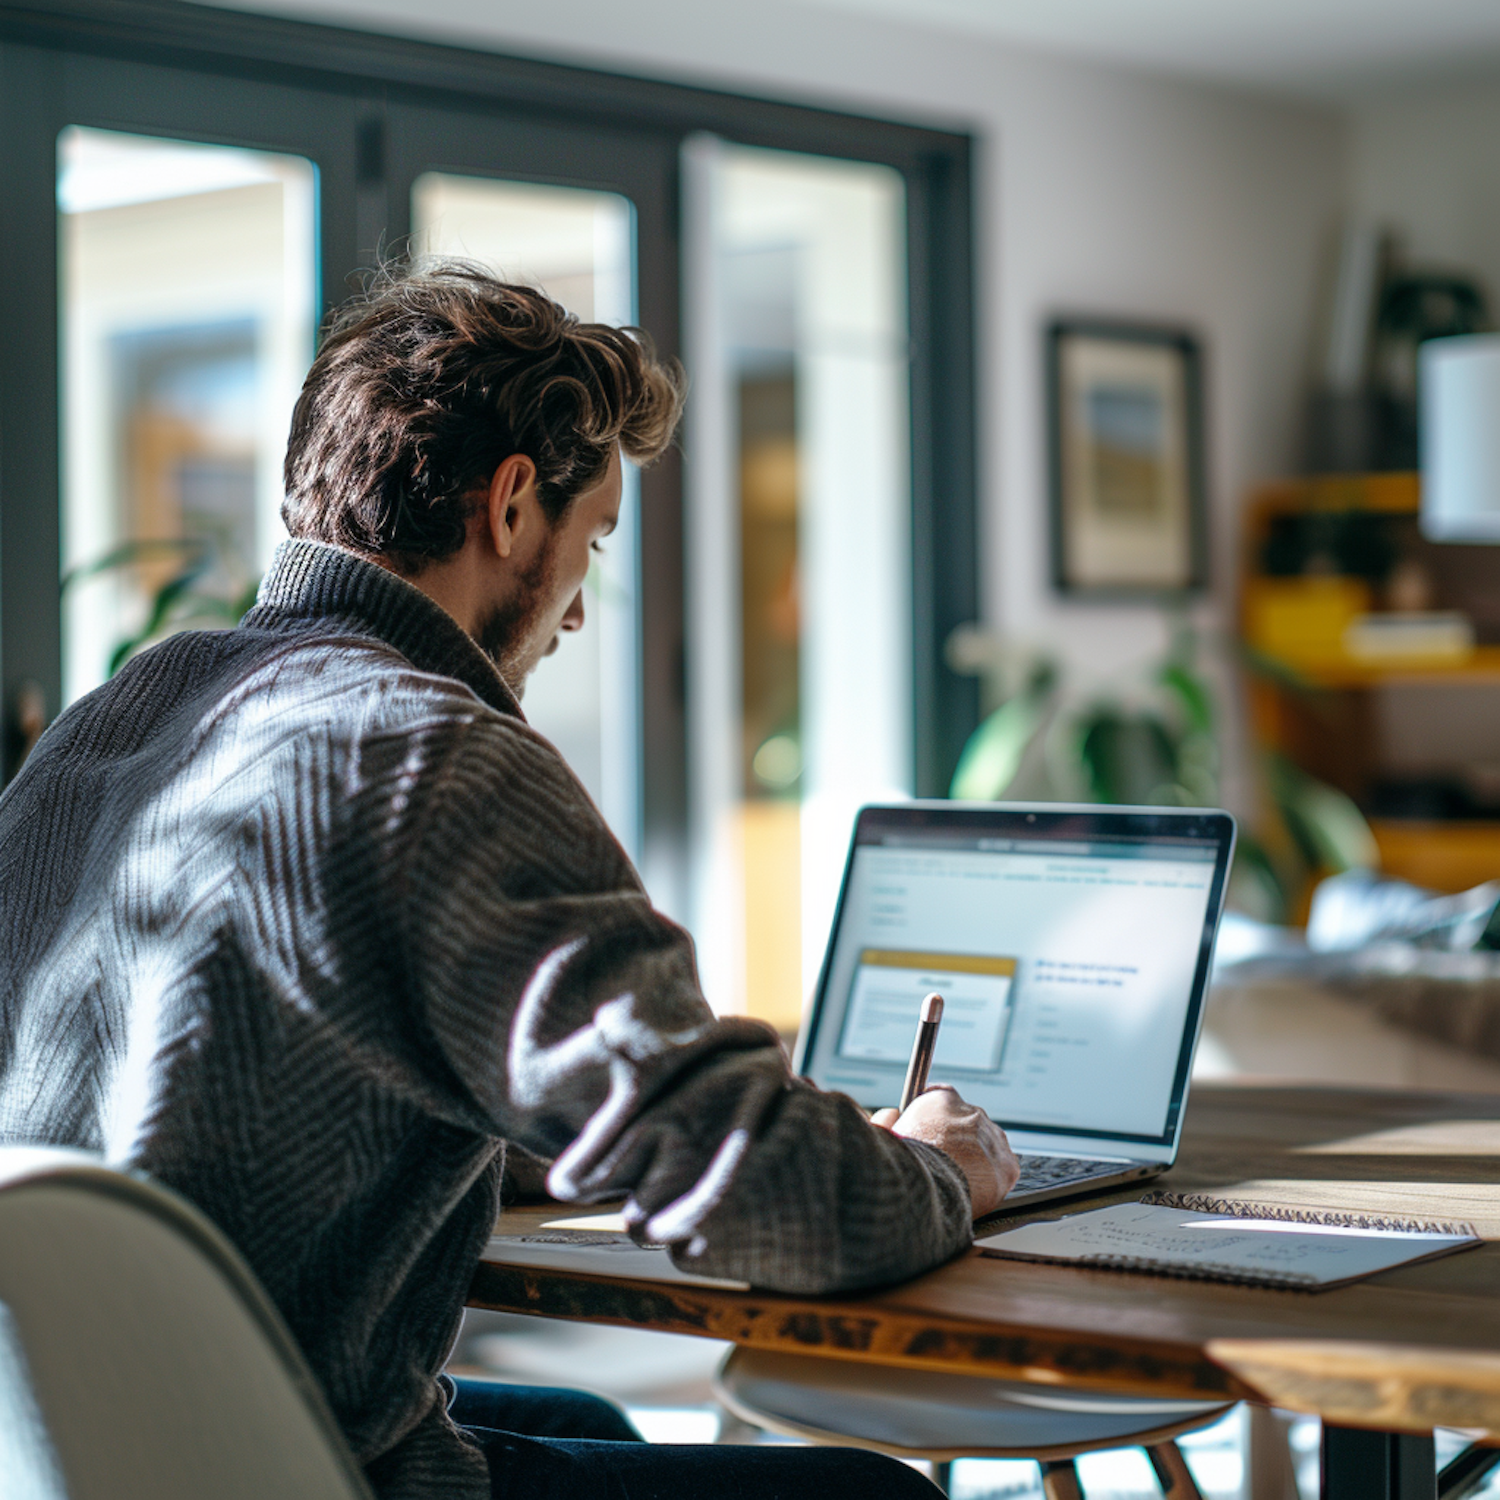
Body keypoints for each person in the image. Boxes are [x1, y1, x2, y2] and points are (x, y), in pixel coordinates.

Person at [0, 262, 1018, 1499]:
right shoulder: (434, 757)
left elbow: (273, 1093)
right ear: (514, 506)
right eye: (594, 542)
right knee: (876, 1494)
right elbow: (768, 1200)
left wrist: (588, 1129)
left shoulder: (115, 720)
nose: (580, 610)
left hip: (87, 1445)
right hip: (303, 1466)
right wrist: (929, 1167)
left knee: (581, 1414)